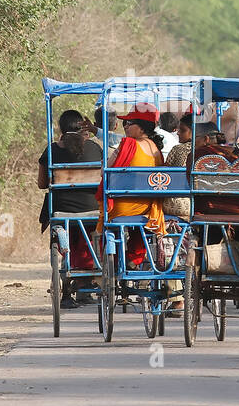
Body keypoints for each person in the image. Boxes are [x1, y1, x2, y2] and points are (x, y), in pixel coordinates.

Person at [38, 110, 104, 307]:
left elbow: (42, 184)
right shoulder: (95, 148)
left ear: (61, 129)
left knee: (67, 230)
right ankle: (86, 283)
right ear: (82, 127)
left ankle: (68, 289)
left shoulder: (51, 150)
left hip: (62, 210)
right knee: (89, 234)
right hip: (92, 210)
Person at [96, 106, 166, 270]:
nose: (125, 126)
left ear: (142, 126)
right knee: (137, 229)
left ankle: (111, 261)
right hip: (150, 208)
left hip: (125, 206)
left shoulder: (128, 144)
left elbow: (104, 171)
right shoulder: (157, 150)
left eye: (129, 122)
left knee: (105, 215)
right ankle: (134, 258)